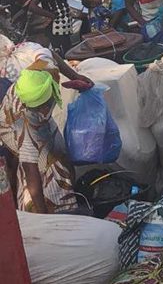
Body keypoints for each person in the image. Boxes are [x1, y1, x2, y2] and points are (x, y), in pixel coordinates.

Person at [0, 47, 93, 214]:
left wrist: (76, 77)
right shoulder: (26, 119)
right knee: (45, 166)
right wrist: (44, 219)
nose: (43, 111)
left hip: (29, 114)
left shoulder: (45, 69)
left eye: (45, 105)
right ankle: (39, 209)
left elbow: (51, 54)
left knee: (59, 153)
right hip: (10, 123)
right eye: (38, 108)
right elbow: (31, 172)